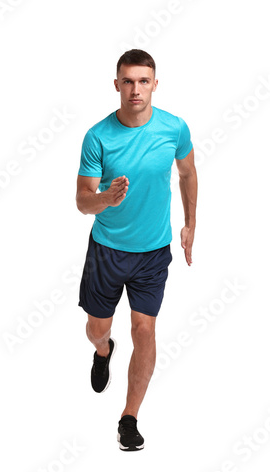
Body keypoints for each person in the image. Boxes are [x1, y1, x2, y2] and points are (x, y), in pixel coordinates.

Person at [76, 49, 197, 451]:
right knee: (98, 329)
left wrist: (190, 224)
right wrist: (105, 199)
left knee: (145, 329)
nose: (135, 90)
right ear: (116, 85)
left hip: (153, 252)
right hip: (107, 250)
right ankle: (103, 351)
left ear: (155, 85)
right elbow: (81, 200)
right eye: (128, 81)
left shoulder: (174, 128)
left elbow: (187, 172)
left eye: (143, 81)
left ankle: (129, 418)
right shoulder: (98, 136)